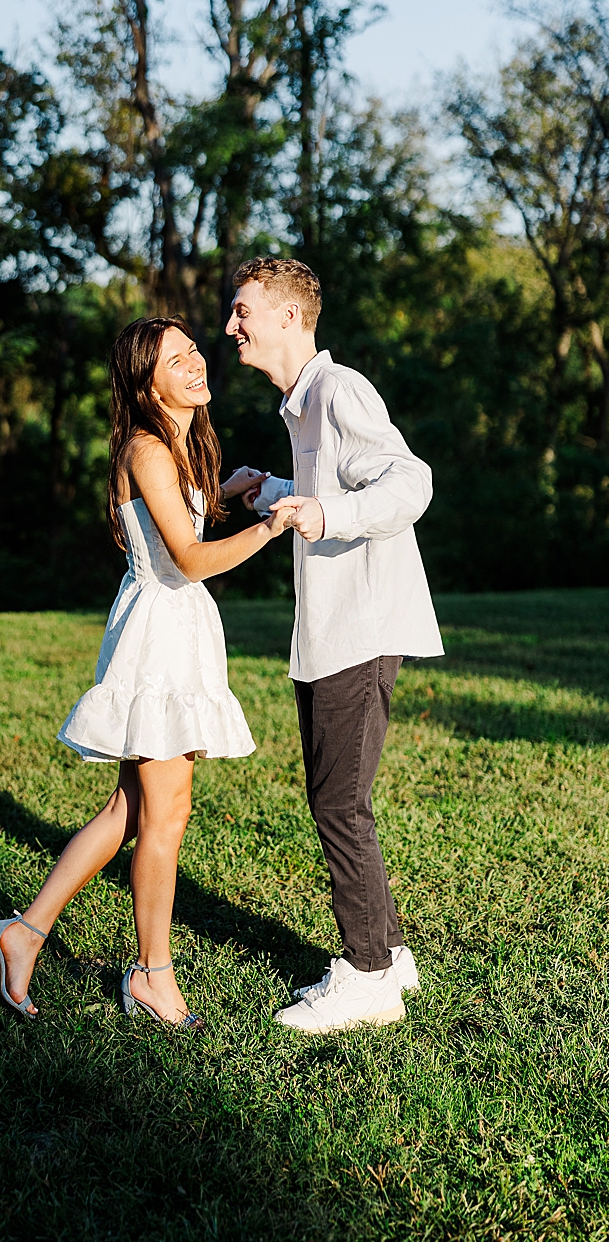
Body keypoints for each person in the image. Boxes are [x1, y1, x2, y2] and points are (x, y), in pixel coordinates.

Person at [0, 315, 291, 1029]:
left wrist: (228, 491)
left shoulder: (173, 444)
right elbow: (192, 560)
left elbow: (181, 521)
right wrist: (269, 525)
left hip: (172, 628)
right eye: (176, 361)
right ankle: (151, 974)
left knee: (131, 811)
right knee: (165, 818)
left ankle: (25, 932)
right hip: (160, 636)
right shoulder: (147, 447)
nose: (197, 363)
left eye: (194, 350)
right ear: (147, 383)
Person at [225, 257, 443, 1034]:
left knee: (338, 804)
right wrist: (274, 491)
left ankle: (368, 976)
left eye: (242, 311)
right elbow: (333, 493)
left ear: (289, 316)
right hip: (336, 629)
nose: (231, 326)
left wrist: (324, 516)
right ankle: (389, 950)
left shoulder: (339, 388)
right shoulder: (302, 405)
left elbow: (407, 482)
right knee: (341, 798)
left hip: (360, 627)